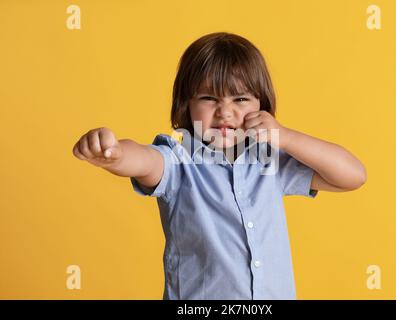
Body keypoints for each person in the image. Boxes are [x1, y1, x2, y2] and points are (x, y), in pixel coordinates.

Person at [72, 32, 367, 300]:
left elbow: (353, 175)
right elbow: (143, 159)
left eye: (240, 98)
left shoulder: (270, 162)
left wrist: (285, 136)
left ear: (261, 106)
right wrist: (114, 153)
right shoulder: (178, 160)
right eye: (209, 98)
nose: (225, 111)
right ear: (187, 104)